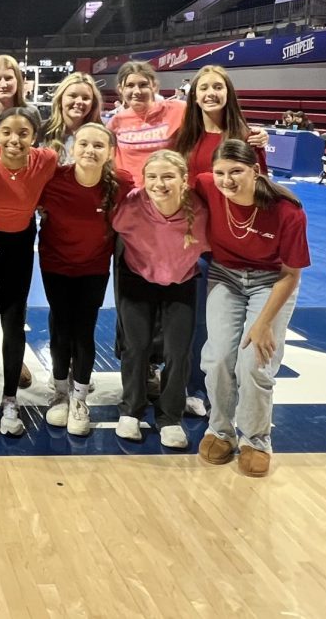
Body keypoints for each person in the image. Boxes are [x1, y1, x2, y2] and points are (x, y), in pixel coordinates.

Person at [195, 139, 309, 477]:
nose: (227, 180)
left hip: (272, 281)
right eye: (220, 172)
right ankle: (220, 430)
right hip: (225, 276)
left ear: (256, 171)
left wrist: (262, 324)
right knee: (217, 359)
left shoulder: (288, 210)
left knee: (255, 362)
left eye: (237, 171)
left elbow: (291, 274)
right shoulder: (205, 185)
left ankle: (257, 440)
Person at [0, 105, 57, 436]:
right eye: (7, 132)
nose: (14, 139)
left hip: (20, 242)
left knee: (14, 319)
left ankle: (10, 400)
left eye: (23, 133)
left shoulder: (47, 160)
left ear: (34, 136)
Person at [38, 123, 132, 436]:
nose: (90, 151)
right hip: (55, 265)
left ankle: (80, 399)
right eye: (84, 144)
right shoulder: (53, 180)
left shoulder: (120, 183)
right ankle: (60, 393)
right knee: (61, 326)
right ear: (72, 147)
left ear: (109, 153)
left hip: (93, 267)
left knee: (84, 330)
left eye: (98, 146)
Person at [112, 150, 209, 449]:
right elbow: (111, 231)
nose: (159, 183)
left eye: (168, 177)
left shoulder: (200, 210)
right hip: (136, 280)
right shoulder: (131, 205)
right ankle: (131, 410)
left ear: (184, 180)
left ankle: (169, 417)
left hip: (179, 283)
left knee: (178, 352)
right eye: (152, 177)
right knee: (137, 347)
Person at [171, 65, 268, 179]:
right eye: (203, 88)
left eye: (218, 87)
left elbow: (261, 187)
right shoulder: (182, 136)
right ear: (195, 96)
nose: (211, 93)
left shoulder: (250, 139)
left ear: (228, 93)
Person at [107, 61, 186, 180]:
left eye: (143, 85)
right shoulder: (116, 122)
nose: (137, 91)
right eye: (130, 85)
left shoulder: (179, 109)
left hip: (166, 191)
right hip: (129, 194)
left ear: (154, 86)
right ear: (121, 89)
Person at [43, 72, 105, 165]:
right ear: (60, 98)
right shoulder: (42, 131)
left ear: (93, 104)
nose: (79, 101)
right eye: (73, 96)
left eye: (85, 98)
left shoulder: (102, 135)